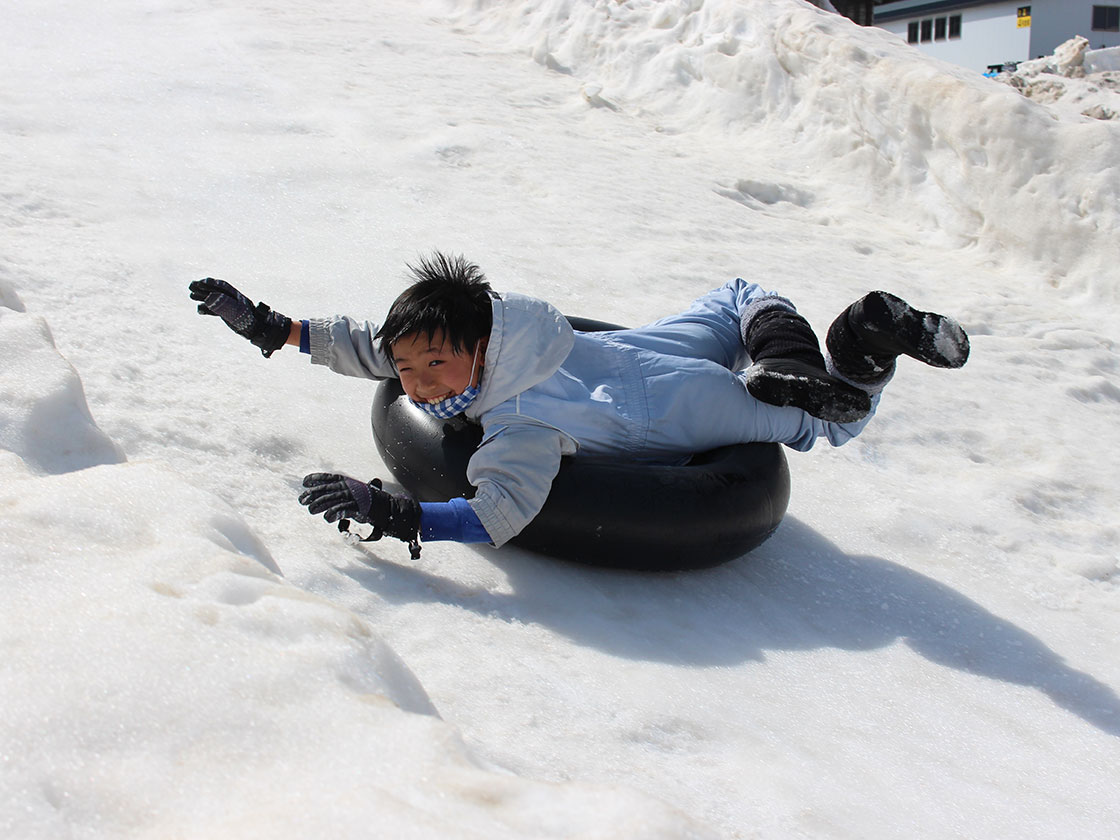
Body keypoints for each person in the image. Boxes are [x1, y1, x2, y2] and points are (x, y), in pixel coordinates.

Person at [189, 252, 969, 554]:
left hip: (679, 410)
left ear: (477, 349)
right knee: (738, 296)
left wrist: (399, 513)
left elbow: (498, 511)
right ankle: (787, 348)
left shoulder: (518, 426)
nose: (417, 386)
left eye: (434, 366)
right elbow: (370, 343)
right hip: (631, 351)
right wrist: (269, 326)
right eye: (409, 370)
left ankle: (860, 341)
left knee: (832, 418)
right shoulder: (509, 325)